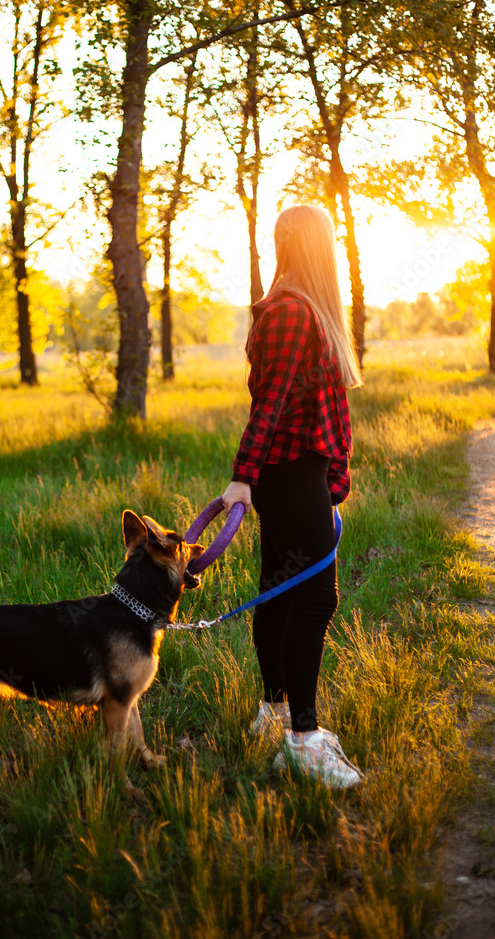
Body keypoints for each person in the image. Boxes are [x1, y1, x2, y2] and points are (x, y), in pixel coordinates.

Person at [221, 204, 364, 789]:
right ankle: (303, 739)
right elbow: (270, 405)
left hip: (297, 475)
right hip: (286, 476)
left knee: (278, 597)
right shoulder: (289, 313)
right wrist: (242, 477)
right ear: (319, 246)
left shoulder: (302, 312)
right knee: (312, 602)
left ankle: (273, 714)